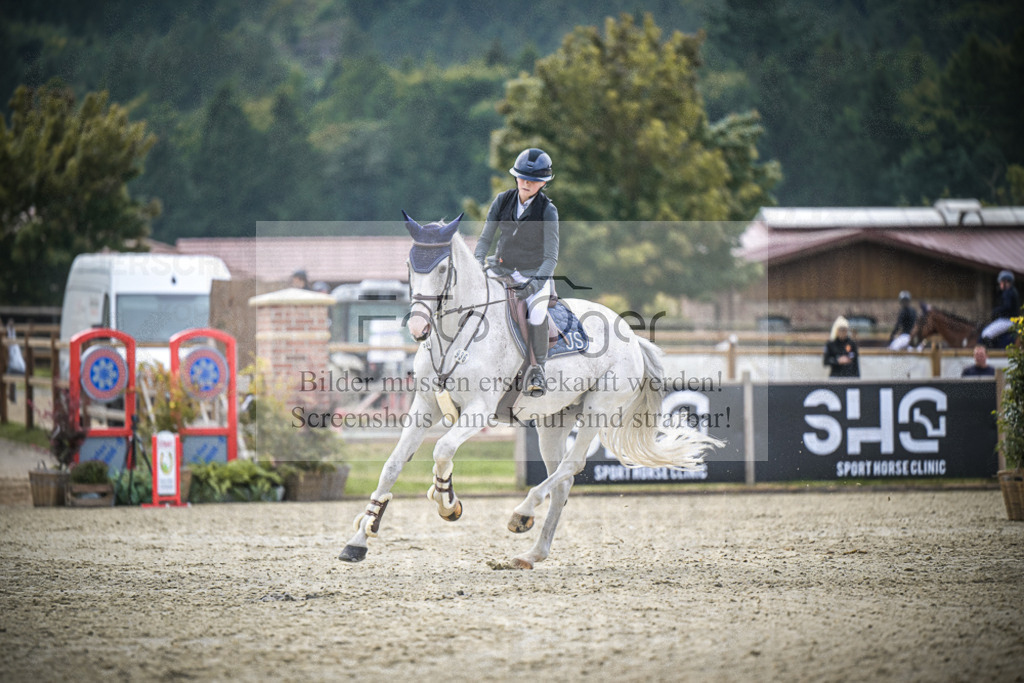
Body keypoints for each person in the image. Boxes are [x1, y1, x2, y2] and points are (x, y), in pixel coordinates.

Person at [474, 148, 559, 397]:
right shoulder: (502, 200)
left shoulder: (547, 211)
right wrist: (478, 261)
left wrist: (534, 285)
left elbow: (551, 257)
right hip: (502, 268)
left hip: (535, 274)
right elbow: (485, 239)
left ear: (543, 183)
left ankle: (537, 369)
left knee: (537, 312)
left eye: (532, 180)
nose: (526, 183)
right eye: (522, 177)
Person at [981, 270, 1021, 345]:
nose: (1000, 284)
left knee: (986, 334)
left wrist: (995, 311)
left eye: (1001, 282)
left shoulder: (1008, 292)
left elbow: (1006, 307)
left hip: (1007, 321)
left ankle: (992, 352)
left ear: (1006, 282)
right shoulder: (1012, 291)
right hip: (1011, 320)